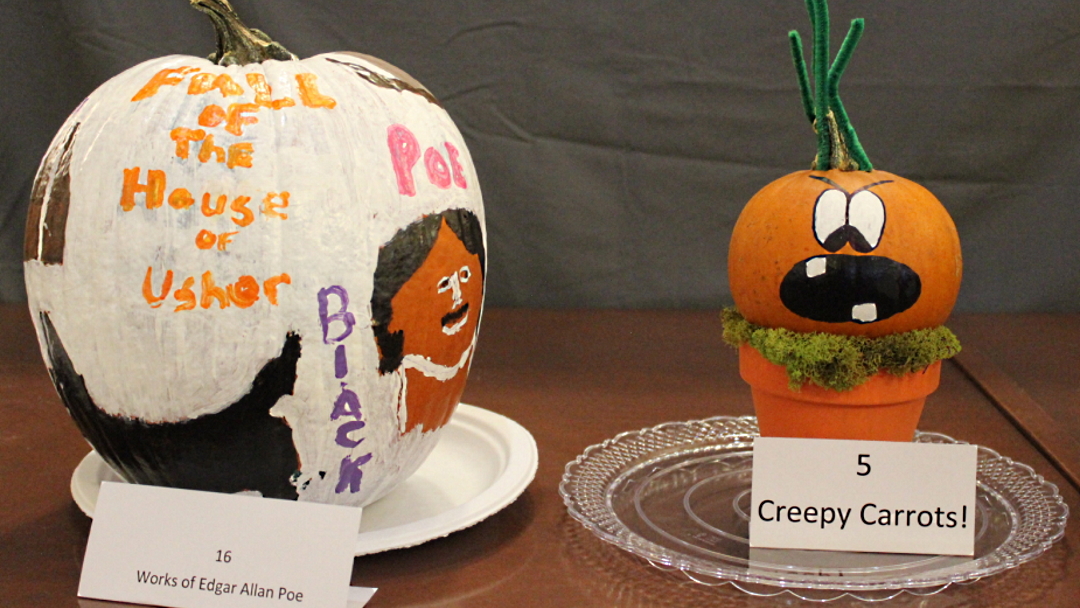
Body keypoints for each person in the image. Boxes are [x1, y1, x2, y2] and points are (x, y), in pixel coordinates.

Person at [370, 208, 485, 434]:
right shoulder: (391, 389)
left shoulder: (456, 360)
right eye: (443, 285)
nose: (458, 295)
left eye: (465, 276)